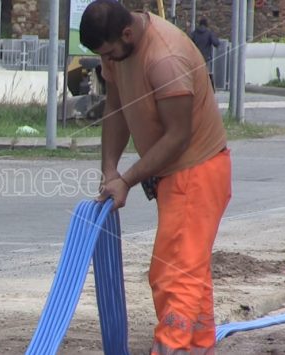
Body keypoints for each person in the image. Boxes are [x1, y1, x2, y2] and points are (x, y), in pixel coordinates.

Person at [79, 1, 231, 354]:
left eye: (110, 53)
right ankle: (196, 346)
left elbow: (178, 137)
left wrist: (127, 180)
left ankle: (171, 347)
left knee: (173, 273)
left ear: (127, 33)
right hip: (174, 176)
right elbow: (116, 107)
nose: (108, 62)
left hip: (197, 172)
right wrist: (109, 170)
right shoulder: (116, 51)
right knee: (190, 269)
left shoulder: (166, 58)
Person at [190, 18, 220, 90]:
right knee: (205, 73)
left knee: (196, 73)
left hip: (195, 57)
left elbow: (189, 43)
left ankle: (196, 87)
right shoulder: (209, 33)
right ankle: (204, 89)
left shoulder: (194, 33)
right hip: (206, 58)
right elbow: (216, 43)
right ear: (206, 25)